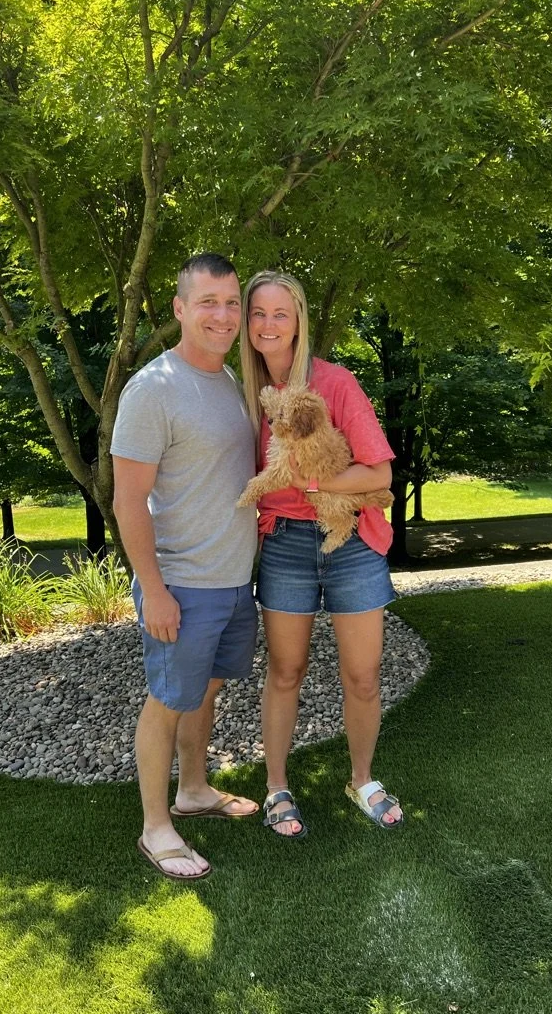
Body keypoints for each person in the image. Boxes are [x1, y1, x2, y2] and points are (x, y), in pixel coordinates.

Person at [239, 270, 404, 837]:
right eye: (258, 313)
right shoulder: (243, 394)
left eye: (279, 313)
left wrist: (314, 485)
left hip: (351, 540)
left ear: (299, 321)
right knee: (286, 671)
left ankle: (362, 779)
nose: (268, 325)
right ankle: (277, 788)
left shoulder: (335, 384)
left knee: (362, 675)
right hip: (285, 543)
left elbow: (379, 471)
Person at [111, 253, 259, 880]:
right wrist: (155, 590)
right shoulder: (154, 389)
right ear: (179, 309)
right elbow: (126, 500)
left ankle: (193, 789)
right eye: (208, 303)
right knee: (167, 700)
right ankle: (155, 829)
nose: (222, 316)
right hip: (181, 584)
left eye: (231, 304)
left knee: (205, 691)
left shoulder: (233, 382)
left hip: (233, 581)